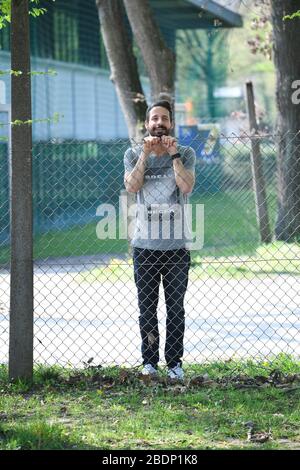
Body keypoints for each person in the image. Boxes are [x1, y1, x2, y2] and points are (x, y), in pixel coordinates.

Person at [124, 100, 196, 380]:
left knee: (176, 308)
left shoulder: (185, 153)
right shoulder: (132, 154)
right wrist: (145, 155)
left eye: (164, 118)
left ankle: (174, 363)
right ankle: (149, 362)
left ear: (171, 124)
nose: (159, 123)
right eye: (154, 118)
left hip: (177, 248)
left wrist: (173, 153)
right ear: (147, 124)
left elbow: (186, 186)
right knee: (147, 309)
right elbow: (132, 186)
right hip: (145, 248)